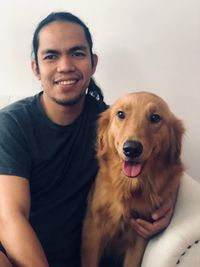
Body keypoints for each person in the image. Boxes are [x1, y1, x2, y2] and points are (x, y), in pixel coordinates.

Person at [0, 12, 178, 267]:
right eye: (51, 56)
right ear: (35, 68)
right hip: (19, 257)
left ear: (93, 63)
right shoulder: (12, 124)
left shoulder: (113, 122)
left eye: (77, 53)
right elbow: (9, 218)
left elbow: (162, 155)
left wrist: (167, 200)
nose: (65, 66)